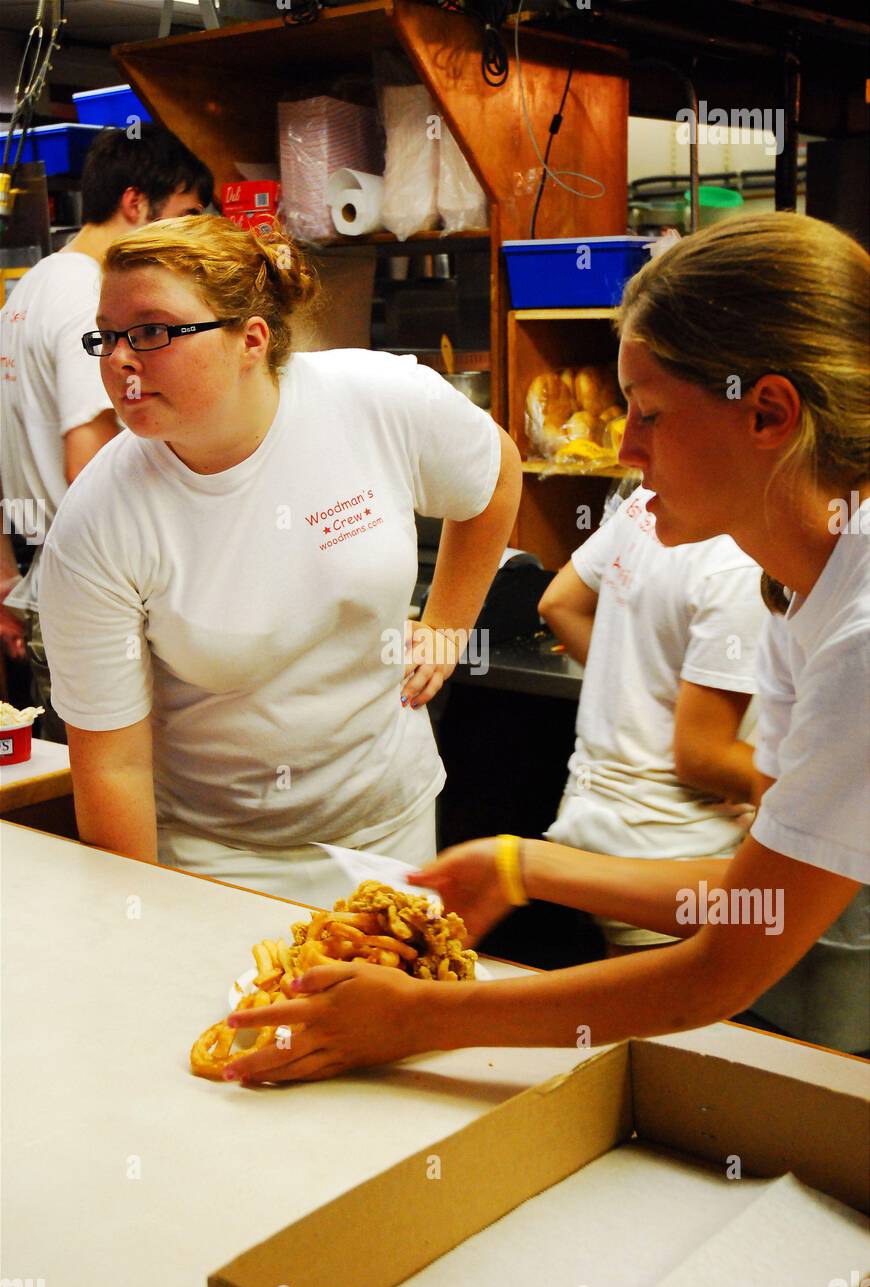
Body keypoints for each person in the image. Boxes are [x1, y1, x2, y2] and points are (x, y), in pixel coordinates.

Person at [220, 212, 869, 1082]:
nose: (626, 449)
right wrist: (523, 866)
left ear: (769, 412)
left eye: (649, 413)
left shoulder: (858, 637)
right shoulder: (797, 584)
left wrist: (421, 1019)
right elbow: (748, 891)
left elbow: (721, 968)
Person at [38, 214, 522, 905]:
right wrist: (135, 919)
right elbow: (113, 766)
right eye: (107, 335)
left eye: (150, 330)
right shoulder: (99, 522)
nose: (120, 359)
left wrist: (446, 624)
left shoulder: (374, 401)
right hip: (216, 858)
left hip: (386, 833)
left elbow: (496, 475)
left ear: (251, 339)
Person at [0, 125, 212, 739]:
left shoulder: (32, 285)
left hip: (49, 580)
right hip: (101, 598)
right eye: (185, 215)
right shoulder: (92, 298)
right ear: (134, 203)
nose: (189, 236)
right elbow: (87, 467)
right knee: (112, 805)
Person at [538, 481, 765, 956]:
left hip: (594, 820)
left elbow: (559, 602)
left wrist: (638, 692)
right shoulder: (742, 562)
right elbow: (702, 757)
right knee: (671, 1024)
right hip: (673, 851)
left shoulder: (648, 504)